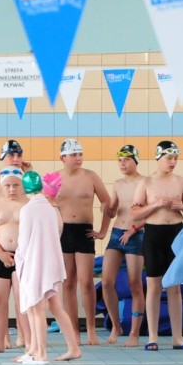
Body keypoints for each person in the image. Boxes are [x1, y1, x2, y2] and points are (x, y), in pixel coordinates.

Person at [131, 140, 183, 351]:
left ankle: (178, 337)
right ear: (159, 157)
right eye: (169, 158)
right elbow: (134, 214)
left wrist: (182, 207)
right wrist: (155, 205)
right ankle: (153, 336)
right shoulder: (146, 183)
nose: (173, 162)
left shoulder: (181, 182)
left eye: (176, 158)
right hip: (153, 234)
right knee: (153, 286)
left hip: (176, 234)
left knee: (175, 286)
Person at [16, 171, 83, 364]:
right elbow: (58, 232)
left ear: (24, 188)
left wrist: (20, 259)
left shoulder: (27, 210)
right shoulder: (52, 209)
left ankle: (40, 353)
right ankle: (72, 348)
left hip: (35, 264)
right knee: (56, 307)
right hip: (52, 264)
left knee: (34, 308)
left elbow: (24, 241)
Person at [54, 139, 114, 346]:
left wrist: (103, 230)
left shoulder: (91, 177)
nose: (78, 158)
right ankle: (73, 331)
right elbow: (40, 203)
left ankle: (90, 329)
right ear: (63, 158)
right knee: (68, 283)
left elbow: (108, 204)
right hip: (62, 233)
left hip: (84, 232)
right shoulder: (54, 179)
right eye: (73, 154)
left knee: (87, 282)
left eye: (80, 154)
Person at [101, 145, 146, 346]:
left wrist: (133, 230)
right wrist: (106, 210)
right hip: (117, 234)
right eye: (120, 160)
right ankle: (116, 325)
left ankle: (134, 333)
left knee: (135, 284)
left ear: (135, 161)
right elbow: (113, 212)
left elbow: (151, 213)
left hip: (136, 236)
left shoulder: (145, 182)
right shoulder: (117, 184)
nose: (122, 163)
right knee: (106, 282)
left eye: (126, 159)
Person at [0, 167, 30, 354]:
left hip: (23, 257)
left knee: (23, 301)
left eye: (16, 185)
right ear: (1, 186)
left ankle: (28, 340)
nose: (11, 189)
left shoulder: (29, 204)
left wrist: (22, 254)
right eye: (7, 185)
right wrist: (1, 254)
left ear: (23, 185)